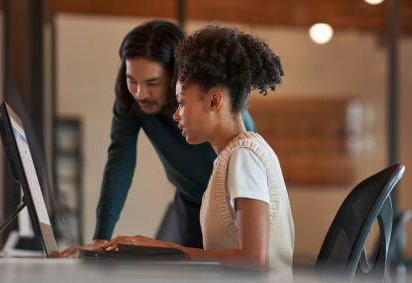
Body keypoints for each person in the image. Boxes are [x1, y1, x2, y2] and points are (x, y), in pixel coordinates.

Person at [100, 24, 295, 272]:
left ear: (214, 101)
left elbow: (255, 260)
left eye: (181, 103)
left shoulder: (243, 157)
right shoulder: (232, 157)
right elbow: (119, 161)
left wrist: (168, 249)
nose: (175, 115)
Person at [60, 20, 256, 257]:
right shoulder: (130, 100)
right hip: (188, 200)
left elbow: (254, 256)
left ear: (178, 76)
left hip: (231, 205)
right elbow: (119, 161)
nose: (141, 94)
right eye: (132, 80)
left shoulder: (215, 109)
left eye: (153, 83)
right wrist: (101, 237)